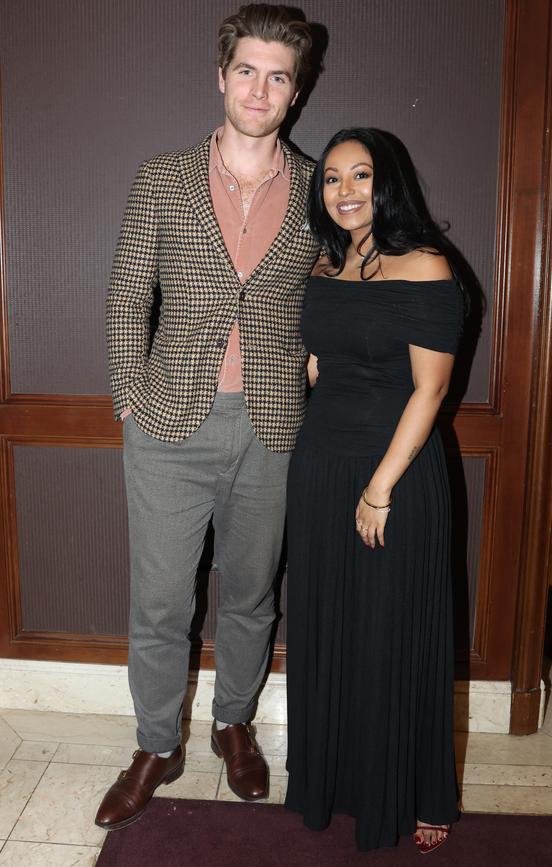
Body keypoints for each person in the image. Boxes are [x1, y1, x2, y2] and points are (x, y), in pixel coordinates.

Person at [96, 4, 320, 831]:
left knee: (253, 593)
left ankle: (233, 724)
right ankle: (158, 743)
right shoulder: (161, 177)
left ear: (295, 92)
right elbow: (126, 298)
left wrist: (319, 353)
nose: (260, 88)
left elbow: (333, 293)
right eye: (247, 71)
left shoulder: (317, 189)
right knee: (159, 601)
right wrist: (130, 397)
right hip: (166, 425)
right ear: (221, 76)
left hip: (271, 428)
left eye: (278, 75)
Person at [284, 128, 465, 853]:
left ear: (389, 183)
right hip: (322, 465)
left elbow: (432, 389)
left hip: (393, 473)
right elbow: (319, 358)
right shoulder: (328, 264)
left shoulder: (425, 263)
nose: (346, 190)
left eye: (361, 175)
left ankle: (419, 790)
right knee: (332, 626)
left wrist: (380, 488)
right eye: (332, 178)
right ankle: (335, 778)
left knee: (393, 635)